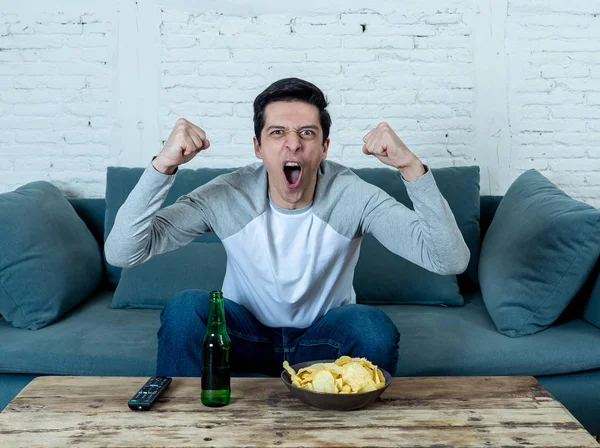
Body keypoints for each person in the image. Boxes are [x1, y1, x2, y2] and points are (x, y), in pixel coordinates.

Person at [104, 77, 470, 378]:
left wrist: (411, 167)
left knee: (371, 327)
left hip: (323, 341)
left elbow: (449, 260)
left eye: (307, 133)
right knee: (187, 309)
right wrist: (164, 165)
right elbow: (123, 251)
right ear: (258, 147)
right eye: (277, 132)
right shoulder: (227, 195)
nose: (293, 144)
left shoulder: (352, 194)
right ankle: (181, 432)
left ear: (324, 147)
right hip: (243, 338)